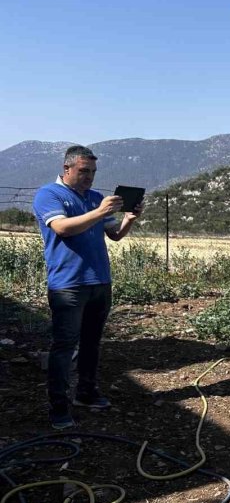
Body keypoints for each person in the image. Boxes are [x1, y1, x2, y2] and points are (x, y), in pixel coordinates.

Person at [32, 145, 143, 429]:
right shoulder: (49, 194)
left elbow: (114, 235)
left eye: (92, 172)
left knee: (92, 343)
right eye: (83, 171)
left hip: (99, 281)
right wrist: (100, 210)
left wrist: (128, 219)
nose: (89, 177)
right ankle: (59, 407)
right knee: (64, 346)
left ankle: (86, 392)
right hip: (68, 285)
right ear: (66, 168)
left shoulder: (95, 198)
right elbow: (62, 228)